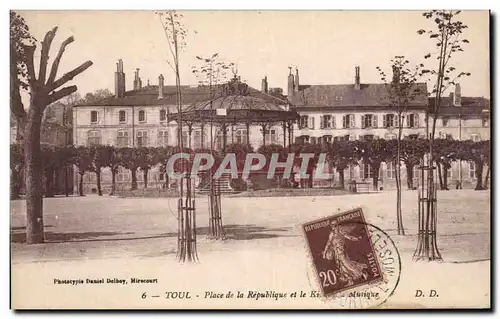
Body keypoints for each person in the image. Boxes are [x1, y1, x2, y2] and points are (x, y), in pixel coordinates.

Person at [322, 220, 369, 286]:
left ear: (337, 225)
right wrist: (325, 252)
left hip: (341, 252)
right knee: (341, 268)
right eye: (332, 226)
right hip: (336, 253)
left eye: (334, 225)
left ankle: (361, 273)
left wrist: (357, 238)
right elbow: (328, 243)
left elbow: (349, 237)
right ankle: (350, 280)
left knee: (347, 265)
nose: (333, 227)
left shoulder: (341, 232)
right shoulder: (331, 234)